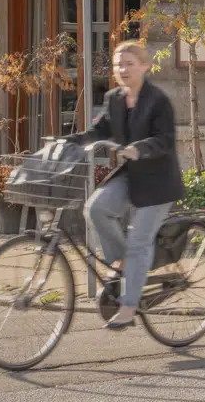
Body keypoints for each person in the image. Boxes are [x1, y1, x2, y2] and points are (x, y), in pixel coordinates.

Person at [74, 40, 184, 330]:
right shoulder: (114, 98)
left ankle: (128, 307)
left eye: (129, 64)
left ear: (144, 66)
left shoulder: (157, 100)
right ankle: (123, 264)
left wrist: (140, 148)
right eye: (117, 64)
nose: (122, 69)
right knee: (96, 208)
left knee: (139, 241)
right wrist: (66, 141)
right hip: (131, 175)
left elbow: (166, 140)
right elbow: (99, 130)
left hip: (158, 182)